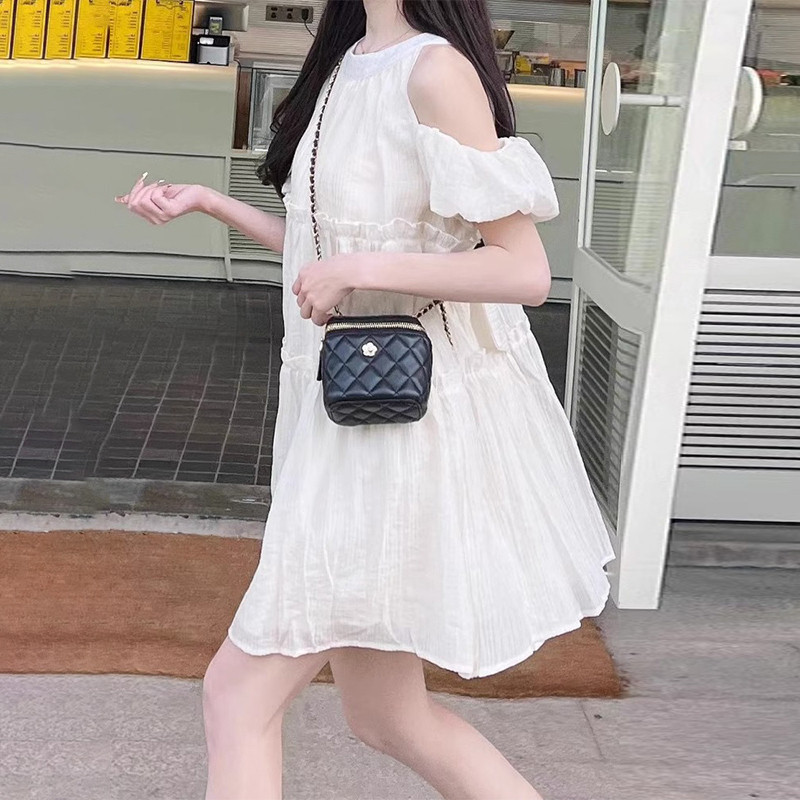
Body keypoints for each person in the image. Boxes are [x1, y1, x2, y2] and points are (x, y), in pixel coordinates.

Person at [117, 1, 616, 797]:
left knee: (237, 698)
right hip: (347, 416)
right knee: (388, 718)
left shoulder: (435, 70)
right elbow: (323, 254)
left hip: (399, 432)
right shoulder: (348, 61)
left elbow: (522, 270)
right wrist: (210, 201)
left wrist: (361, 270)